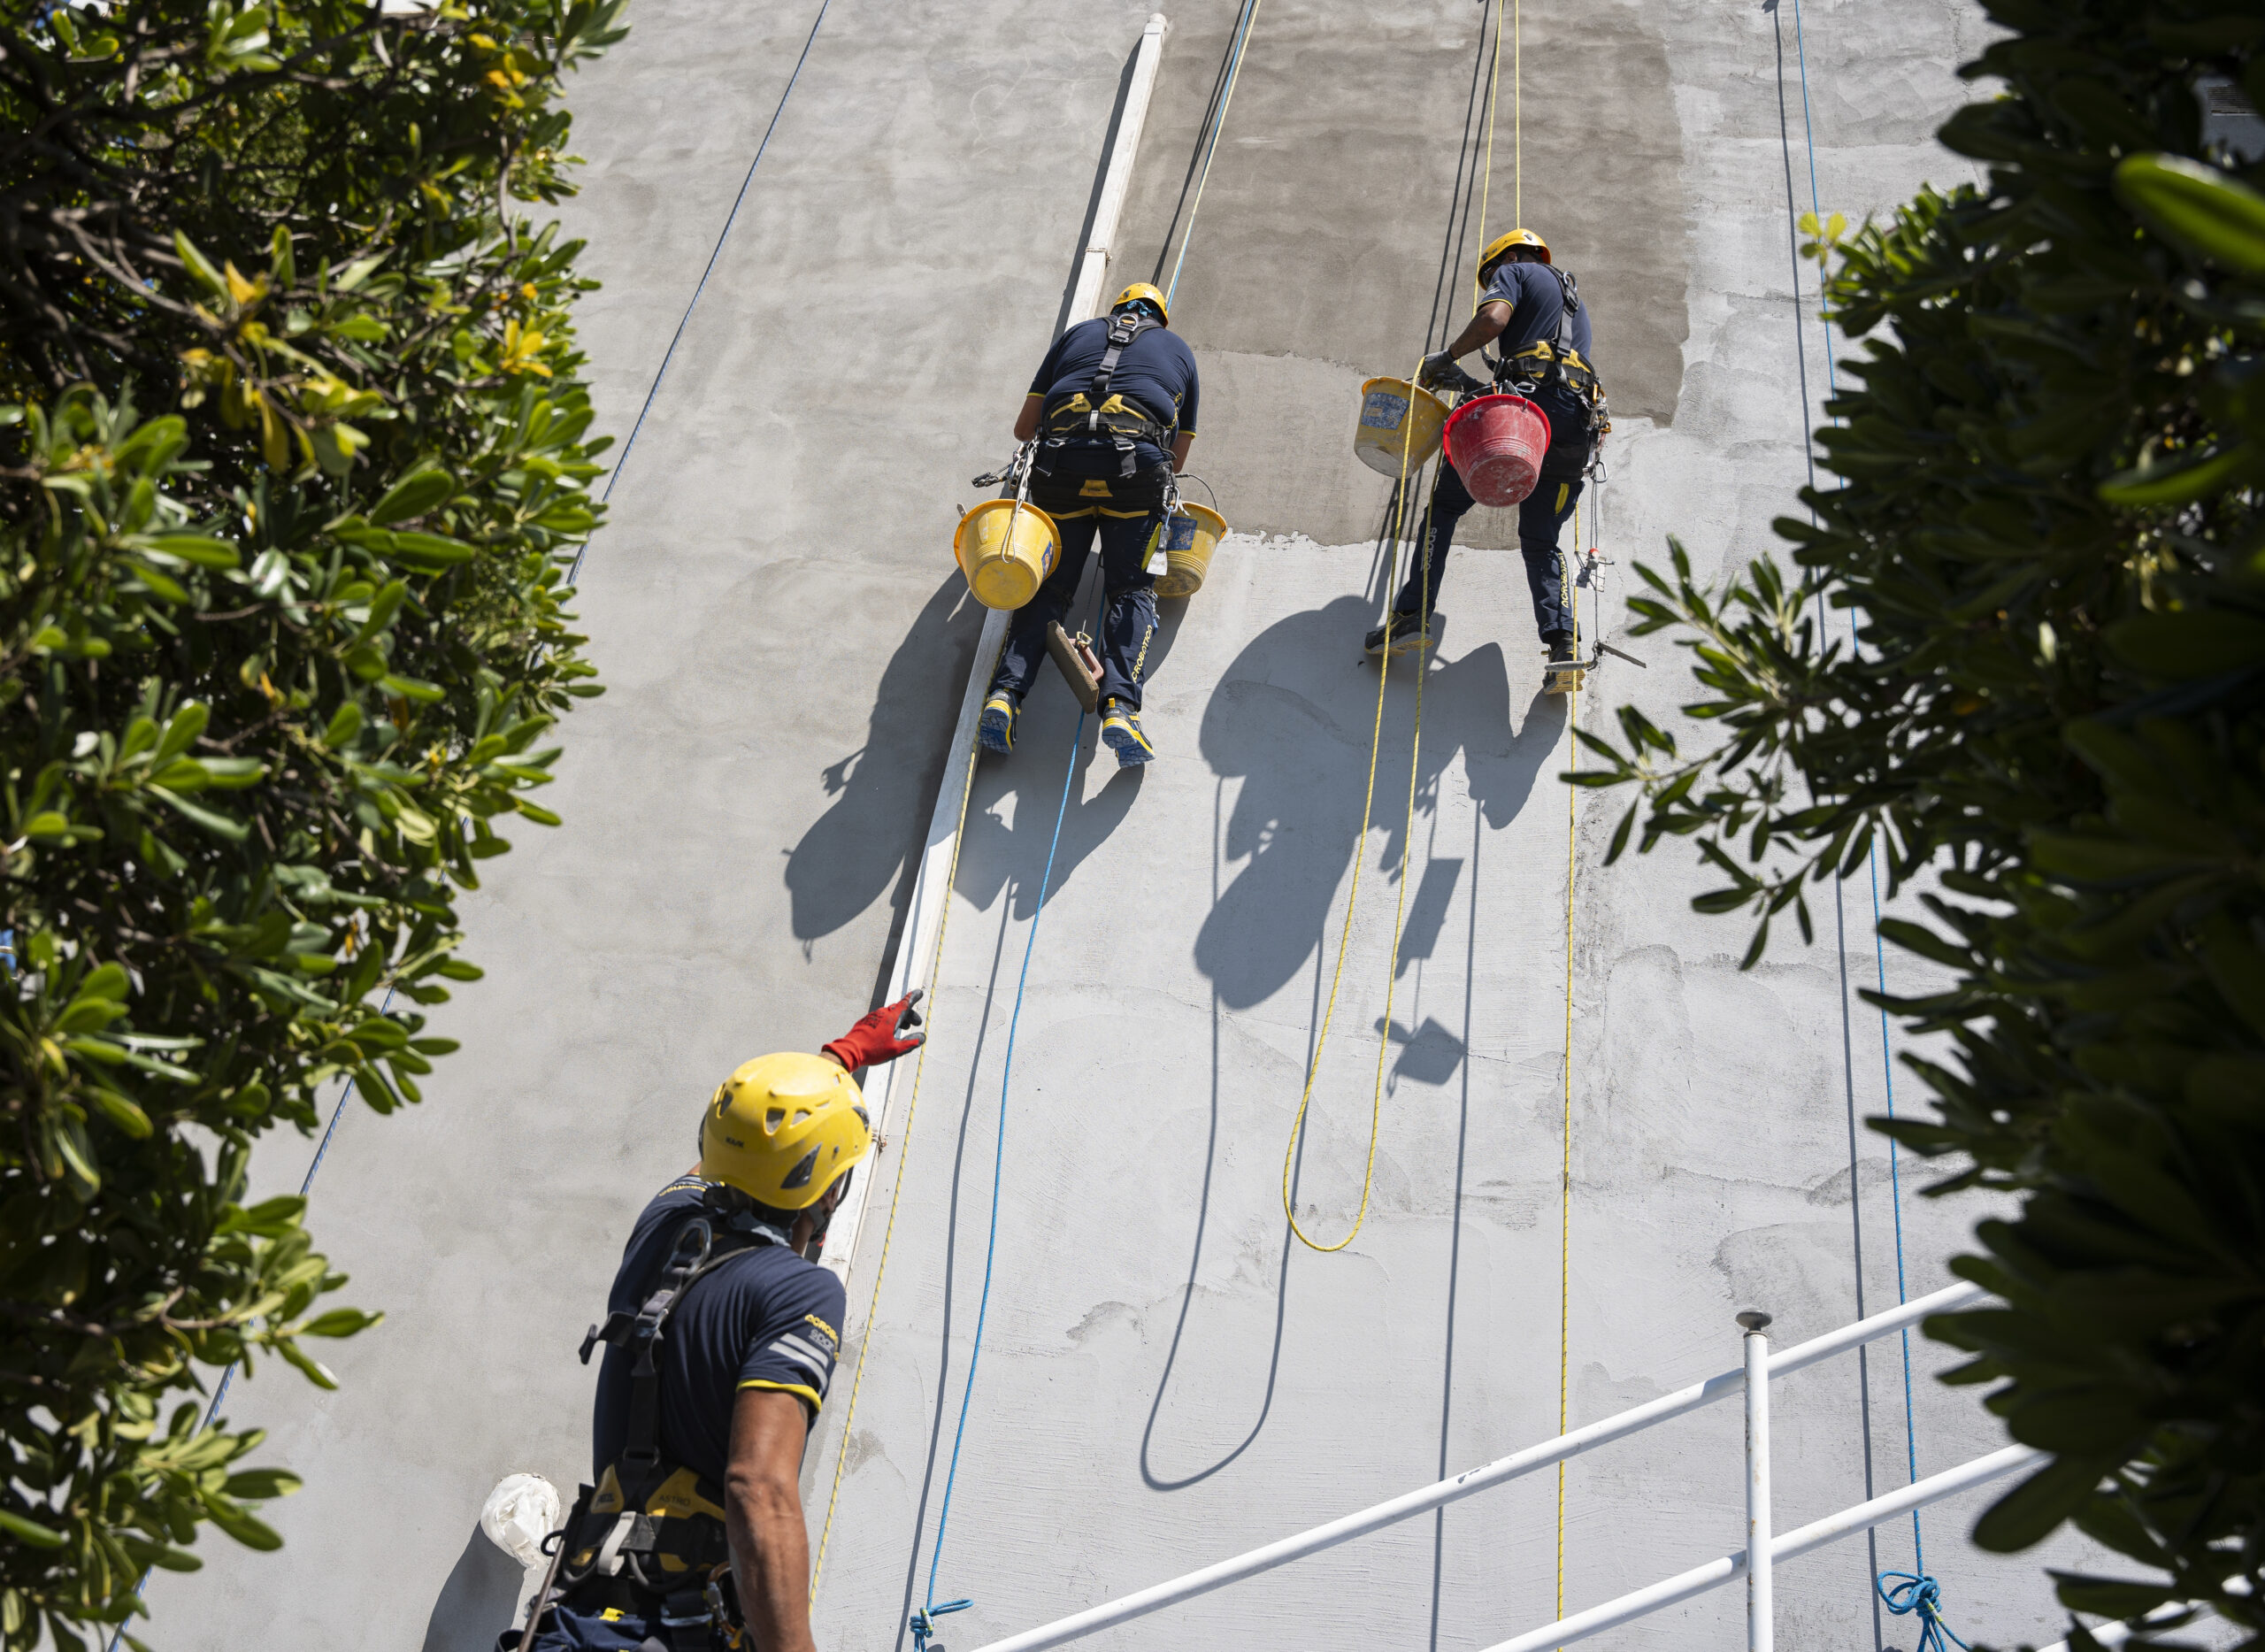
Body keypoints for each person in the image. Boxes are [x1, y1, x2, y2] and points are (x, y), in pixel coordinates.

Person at [510, 993, 928, 1652]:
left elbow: (738, 1153)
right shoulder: (800, 1292)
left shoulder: (663, 1223)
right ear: (827, 1190)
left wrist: (838, 1059)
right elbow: (757, 1487)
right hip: (669, 1630)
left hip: (575, 1616)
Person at [1366, 227, 1609, 675]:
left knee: (1443, 507)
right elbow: (1544, 382)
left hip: (1530, 410)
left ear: (1513, 256)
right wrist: (1471, 384)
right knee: (1540, 541)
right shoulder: (1571, 301)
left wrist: (1450, 357)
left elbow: (1494, 320)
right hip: (1575, 427)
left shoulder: (1513, 271)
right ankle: (1563, 643)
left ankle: (1412, 615)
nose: (1493, 279)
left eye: (1490, 272)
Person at [978, 281, 1199, 768]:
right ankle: (1120, 709)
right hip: (1135, 473)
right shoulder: (1177, 349)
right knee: (1132, 591)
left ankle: (1004, 698)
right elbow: (1178, 457)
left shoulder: (1076, 335)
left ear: (1117, 309)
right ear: (1162, 319)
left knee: (1048, 589)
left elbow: (1024, 428)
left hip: (1061, 470)